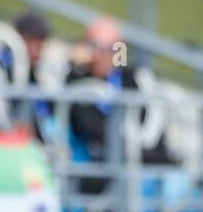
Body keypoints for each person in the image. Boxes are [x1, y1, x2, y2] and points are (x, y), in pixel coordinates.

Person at [66, 15, 176, 196]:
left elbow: (152, 128)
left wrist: (131, 149)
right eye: (95, 47)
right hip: (99, 170)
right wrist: (72, 65)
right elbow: (86, 126)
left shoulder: (137, 77)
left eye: (110, 48)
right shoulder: (77, 80)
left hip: (143, 162)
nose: (102, 55)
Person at [0, 11, 50, 139]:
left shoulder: (32, 77)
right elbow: (2, 126)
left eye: (40, 46)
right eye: (32, 43)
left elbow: (45, 120)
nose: (37, 52)